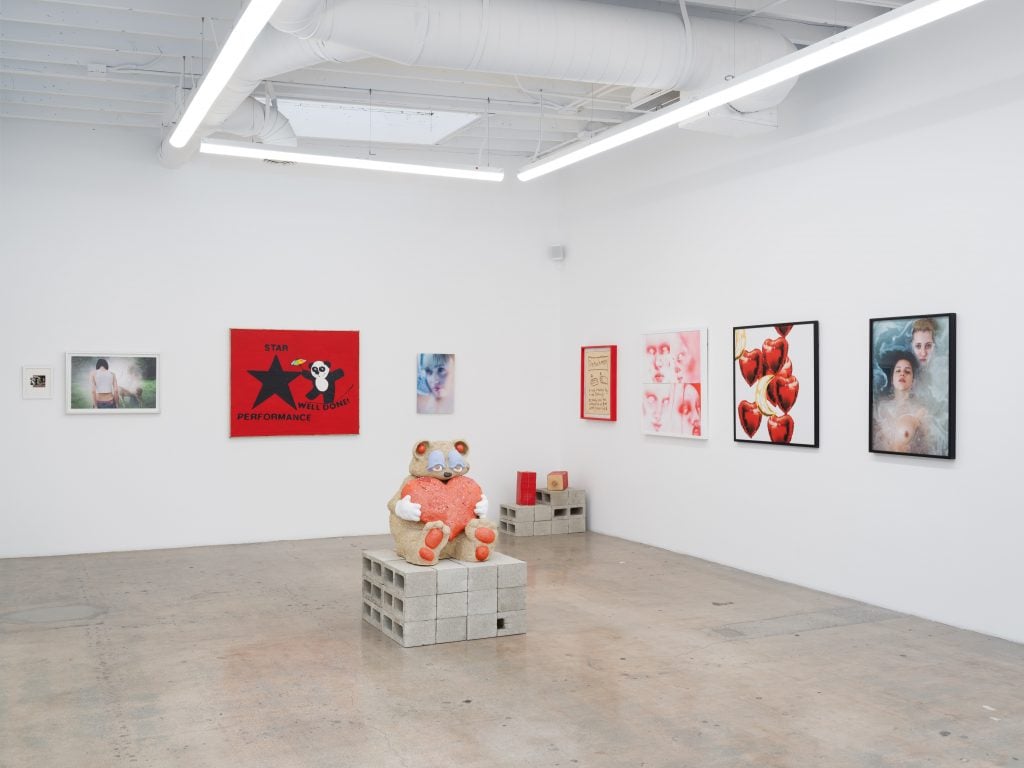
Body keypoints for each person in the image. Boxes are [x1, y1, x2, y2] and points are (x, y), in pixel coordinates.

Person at [872, 351, 928, 453]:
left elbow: (928, 448)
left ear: (913, 381)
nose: (902, 373)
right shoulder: (880, 408)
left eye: (907, 371)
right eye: (898, 371)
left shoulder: (919, 412)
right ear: (892, 379)